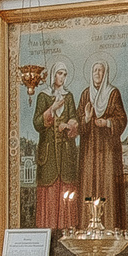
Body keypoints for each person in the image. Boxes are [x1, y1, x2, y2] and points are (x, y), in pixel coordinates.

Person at [76, 59, 127, 231]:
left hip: (108, 148)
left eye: (100, 70)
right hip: (89, 148)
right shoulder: (85, 94)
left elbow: (122, 119)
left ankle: (110, 227)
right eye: (95, 70)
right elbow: (78, 123)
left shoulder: (113, 93)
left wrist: (107, 123)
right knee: (89, 182)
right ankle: (86, 227)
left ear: (105, 74)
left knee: (108, 183)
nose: (97, 73)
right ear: (91, 73)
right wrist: (88, 118)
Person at [30, 62, 80, 229]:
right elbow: (37, 123)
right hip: (49, 153)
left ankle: (67, 229)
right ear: (53, 75)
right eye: (60, 73)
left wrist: (69, 125)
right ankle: (48, 229)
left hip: (66, 153)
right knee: (50, 190)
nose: (62, 77)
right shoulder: (43, 96)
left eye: (65, 74)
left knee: (67, 188)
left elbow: (74, 118)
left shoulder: (69, 96)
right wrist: (52, 108)